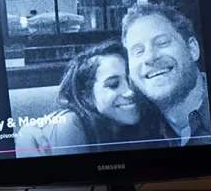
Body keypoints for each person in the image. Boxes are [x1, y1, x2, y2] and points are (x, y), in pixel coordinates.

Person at [14, 40, 165, 157]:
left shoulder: (149, 117)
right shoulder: (69, 125)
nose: (130, 92)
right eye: (113, 85)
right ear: (86, 95)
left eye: (133, 81)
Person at [121, 2, 211, 147]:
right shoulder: (135, 132)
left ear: (193, 49)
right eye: (138, 51)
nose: (149, 58)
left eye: (162, 43)